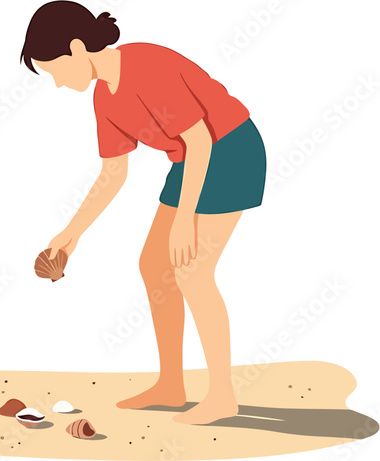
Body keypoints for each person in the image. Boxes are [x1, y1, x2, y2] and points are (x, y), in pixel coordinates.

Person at [21, 0, 266, 424]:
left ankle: (222, 396)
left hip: (231, 150)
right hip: (190, 161)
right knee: (155, 265)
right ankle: (172, 386)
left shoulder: (146, 65)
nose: (57, 83)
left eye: (55, 69)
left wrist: (185, 218)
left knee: (192, 271)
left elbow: (201, 138)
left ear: (77, 48)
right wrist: (71, 234)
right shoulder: (104, 98)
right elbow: (113, 173)